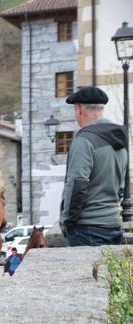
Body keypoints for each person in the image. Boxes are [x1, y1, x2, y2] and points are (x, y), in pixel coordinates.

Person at [60, 86, 128, 246]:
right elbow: (122, 187)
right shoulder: (119, 139)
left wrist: (67, 222)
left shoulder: (84, 140)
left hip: (87, 228)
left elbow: (77, 185)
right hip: (113, 224)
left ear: (79, 109)